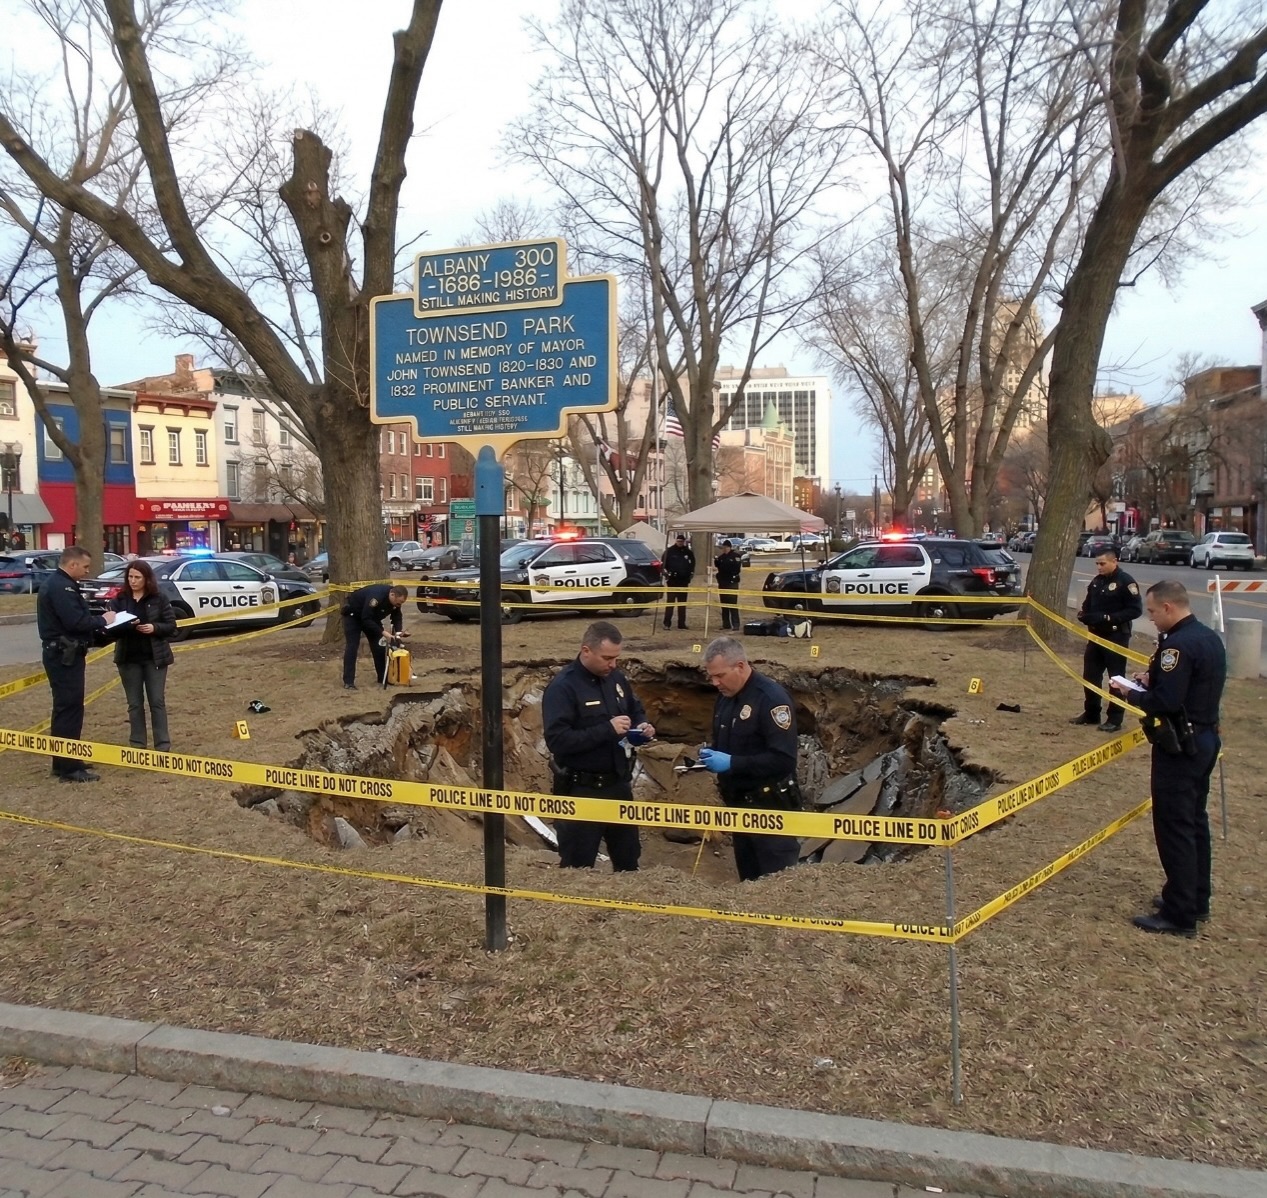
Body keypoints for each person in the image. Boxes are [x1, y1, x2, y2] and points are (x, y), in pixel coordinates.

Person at [1111, 580, 1225, 938]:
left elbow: (1167, 702)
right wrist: (1154, 677)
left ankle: (1180, 915)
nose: (1152, 618)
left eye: (1153, 612)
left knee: (1175, 827)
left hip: (1180, 745)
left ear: (1169, 608)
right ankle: (1195, 898)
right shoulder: (1208, 638)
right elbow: (1190, 686)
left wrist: (1131, 693)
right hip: (1205, 739)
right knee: (1194, 822)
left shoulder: (1177, 647)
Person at [543, 621, 655, 871]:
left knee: (628, 860)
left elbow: (634, 708)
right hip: (582, 790)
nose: (612, 664)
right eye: (606, 658)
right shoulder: (563, 687)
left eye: (616, 658)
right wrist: (607, 729)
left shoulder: (615, 678)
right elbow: (558, 740)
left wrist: (643, 725)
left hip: (618, 785)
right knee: (578, 865)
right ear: (586, 651)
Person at [699, 636, 802, 881]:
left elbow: (783, 759)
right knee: (748, 882)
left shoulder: (771, 699)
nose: (715, 683)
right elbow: (729, 743)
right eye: (711, 676)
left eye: (720, 675)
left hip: (771, 809)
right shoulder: (725, 698)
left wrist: (732, 763)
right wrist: (710, 756)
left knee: (777, 883)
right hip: (739, 808)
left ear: (741, 667)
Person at [36, 546, 118, 782]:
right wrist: (103, 619)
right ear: (72, 565)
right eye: (84, 566)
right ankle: (69, 767)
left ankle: (64, 760)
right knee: (69, 709)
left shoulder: (59, 584)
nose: (86, 570)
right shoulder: (61, 587)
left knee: (66, 709)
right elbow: (75, 622)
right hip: (64, 655)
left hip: (64, 654)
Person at [1070, 547, 1142, 732]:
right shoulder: (1097, 581)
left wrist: (1109, 618)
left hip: (1115, 636)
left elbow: (1135, 610)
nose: (1099, 567)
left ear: (1114, 561)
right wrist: (1085, 614)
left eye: (1102, 564)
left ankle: (1115, 719)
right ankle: (1091, 713)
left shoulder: (1125, 582)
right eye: (1097, 564)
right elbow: (1089, 603)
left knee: (1115, 679)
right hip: (1096, 636)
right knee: (1090, 675)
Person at [110, 559, 178, 751]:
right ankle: (138, 744)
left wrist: (154, 628)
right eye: (130, 577)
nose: (133, 581)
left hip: (154, 658)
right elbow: (109, 629)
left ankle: (162, 744)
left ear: (146, 579)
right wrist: (123, 625)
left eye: (137, 577)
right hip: (128, 658)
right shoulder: (120, 600)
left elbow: (172, 626)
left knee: (156, 701)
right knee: (134, 704)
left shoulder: (159, 598)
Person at [341, 583, 408, 689]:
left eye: (401, 603)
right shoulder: (376, 597)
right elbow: (365, 618)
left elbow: (397, 616)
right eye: (398, 602)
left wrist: (398, 632)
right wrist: (383, 632)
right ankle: (348, 682)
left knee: (379, 646)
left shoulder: (395, 602)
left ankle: (382, 677)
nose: (398, 605)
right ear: (392, 595)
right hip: (354, 616)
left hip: (371, 619)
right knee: (352, 647)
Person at [662, 532, 696, 630]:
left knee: (682, 604)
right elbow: (663, 565)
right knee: (670, 603)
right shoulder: (670, 551)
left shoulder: (688, 552)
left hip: (683, 581)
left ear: (684, 542)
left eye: (682, 541)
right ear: (676, 541)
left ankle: (681, 623)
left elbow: (692, 564)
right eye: (678, 541)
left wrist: (690, 575)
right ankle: (667, 623)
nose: (680, 543)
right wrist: (666, 574)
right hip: (672, 581)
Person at [714, 540, 742, 631]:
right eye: (723, 547)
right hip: (723, 582)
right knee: (724, 604)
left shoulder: (735, 556)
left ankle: (736, 624)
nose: (725, 549)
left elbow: (737, 569)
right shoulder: (721, 557)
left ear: (730, 547)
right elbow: (718, 567)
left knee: (732, 604)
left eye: (726, 547)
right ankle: (726, 624)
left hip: (731, 582)